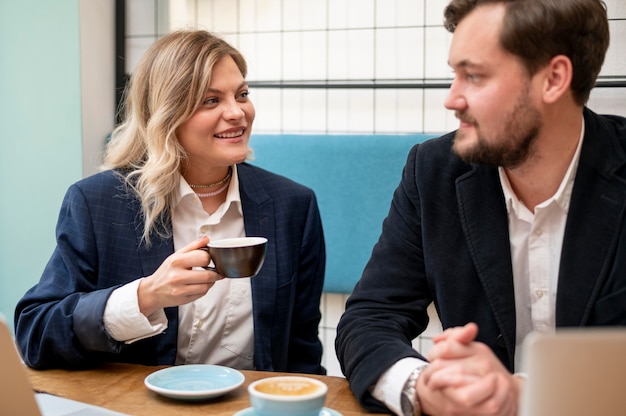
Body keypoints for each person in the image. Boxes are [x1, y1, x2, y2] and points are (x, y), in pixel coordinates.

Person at [336, 0, 626, 415]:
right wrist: (421, 387)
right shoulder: (433, 171)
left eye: (473, 76)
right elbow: (371, 317)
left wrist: (527, 393)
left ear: (554, 78)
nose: (452, 99)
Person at [15, 30, 326, 375]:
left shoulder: (293, 206)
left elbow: (302, 352)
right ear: (166, 114)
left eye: (242, 95)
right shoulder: (98, 202)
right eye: (211, 100)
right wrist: (145, 297)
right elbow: (36, 333)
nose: (237, 112)